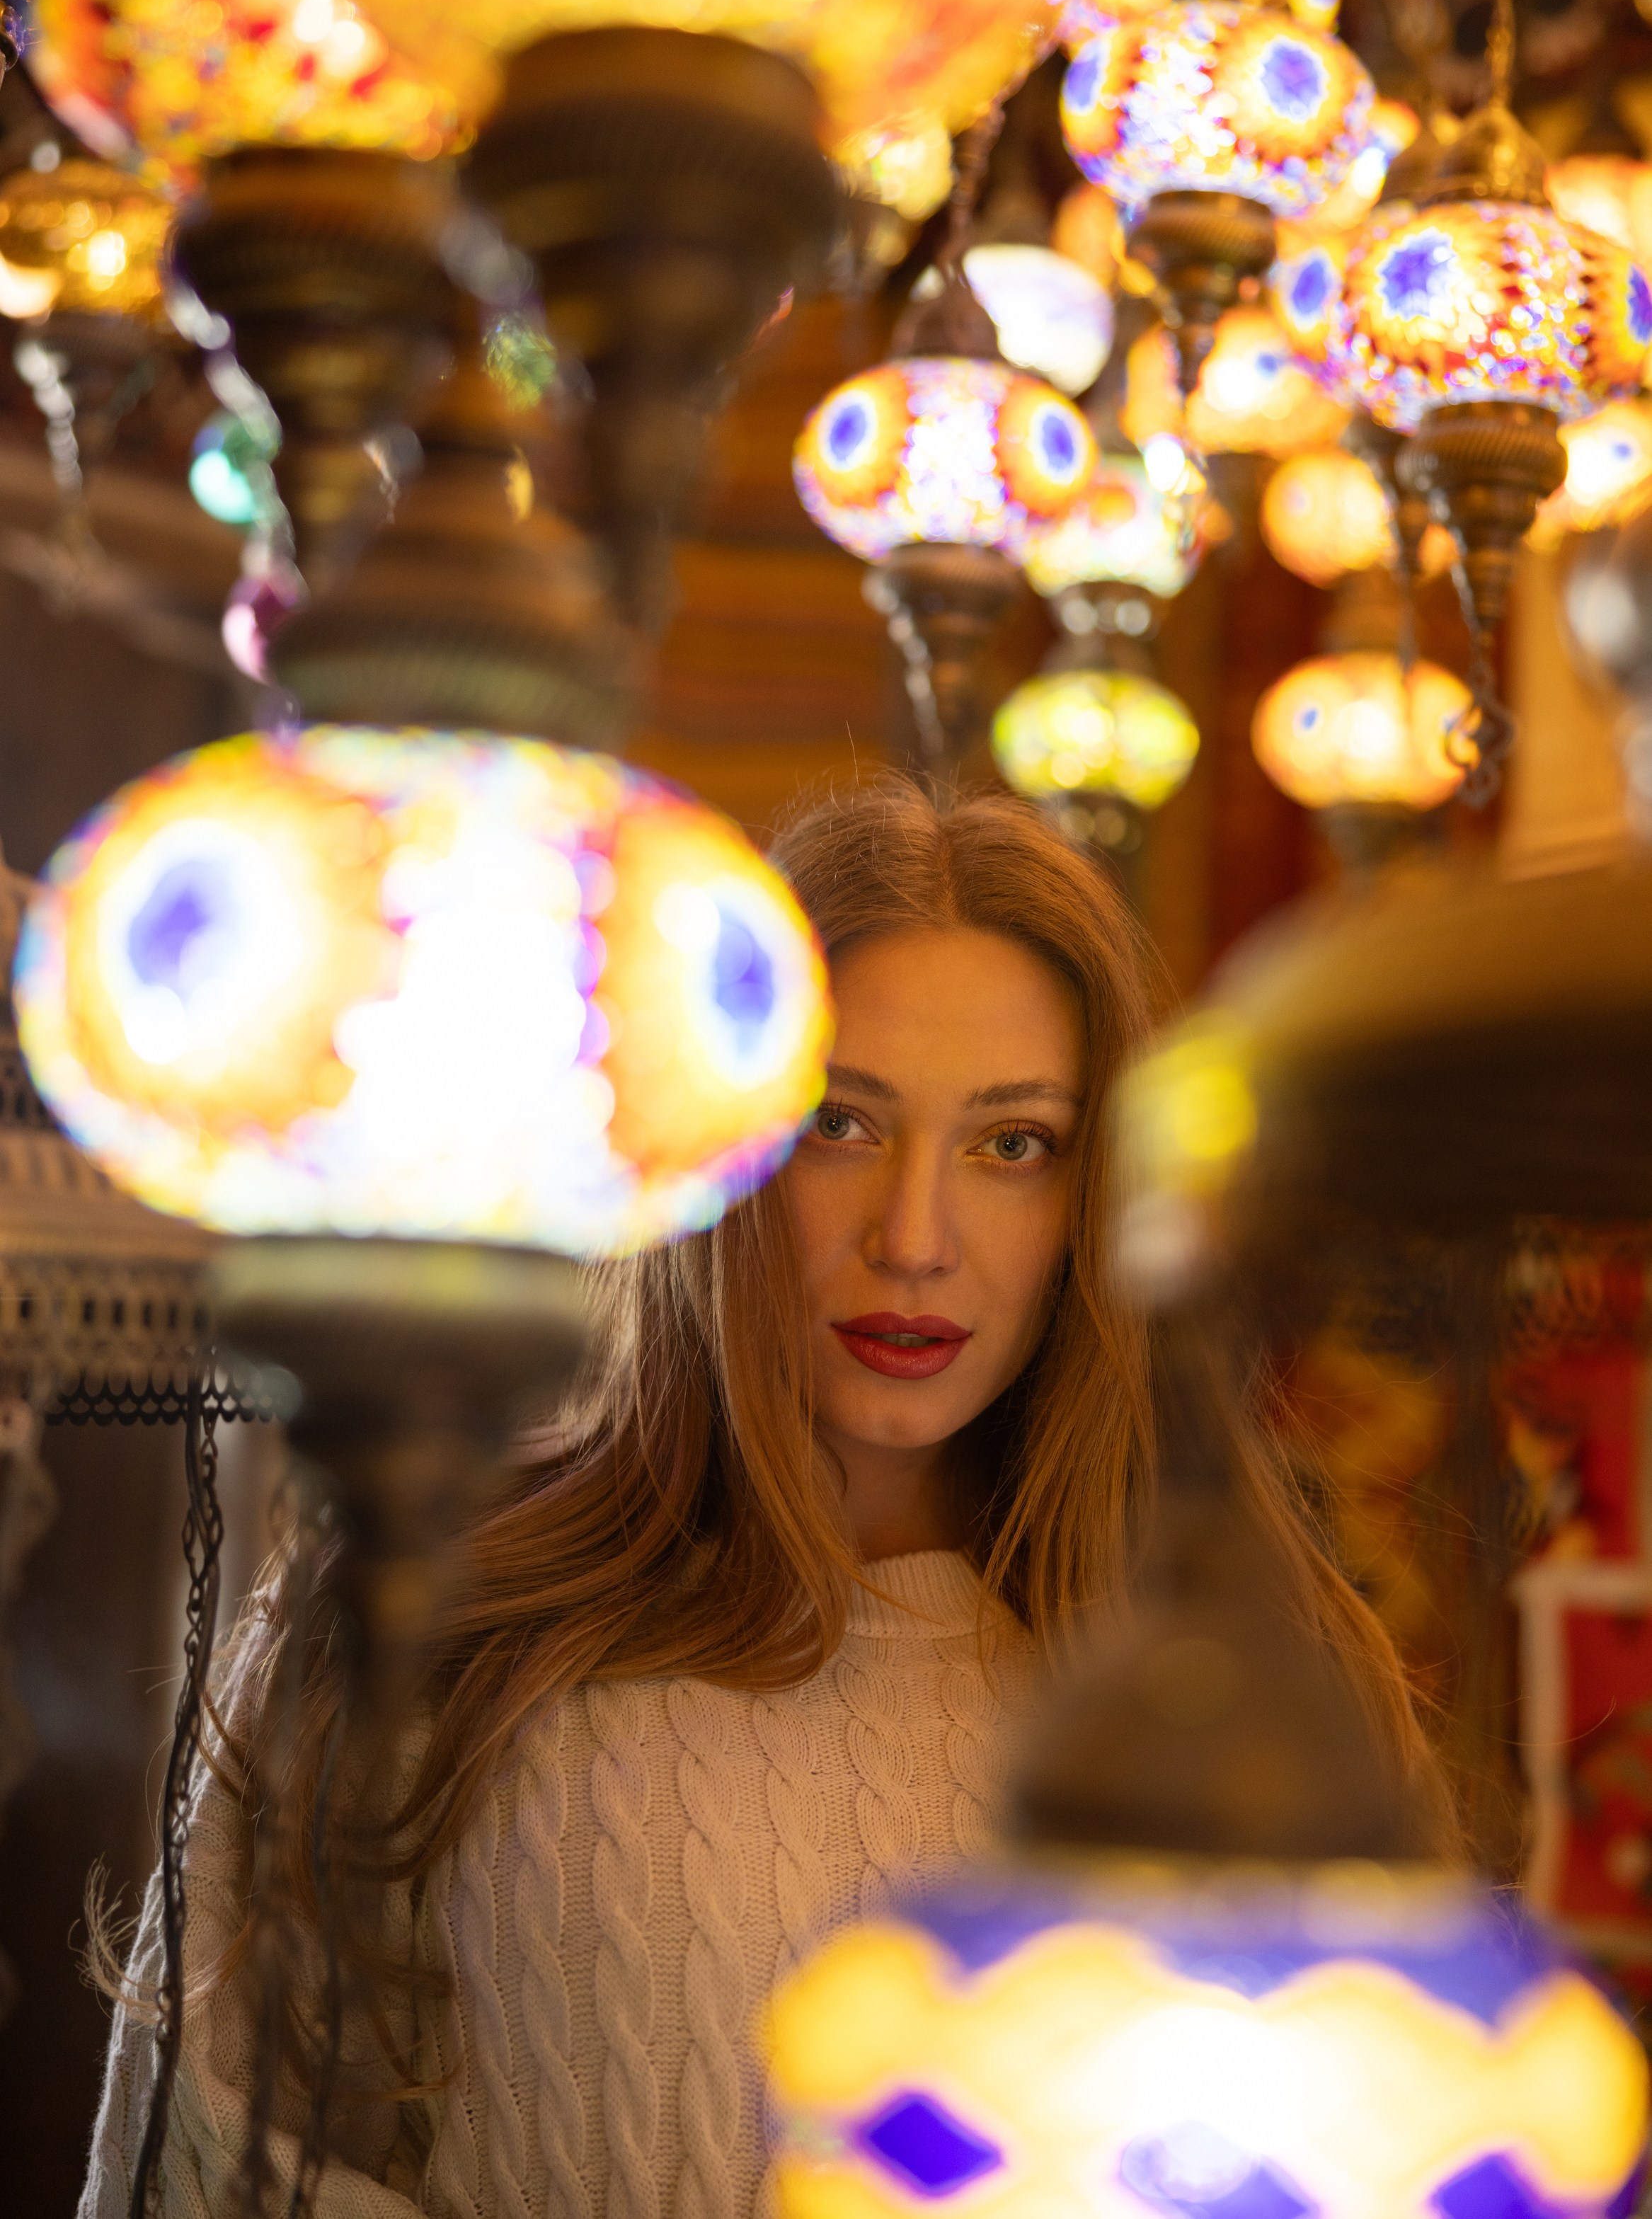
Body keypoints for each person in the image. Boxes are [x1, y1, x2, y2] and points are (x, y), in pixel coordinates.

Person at [82, 777, 1450, 2218]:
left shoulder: (1255, 1686)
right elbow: (208, 2156)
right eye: (837, 1124)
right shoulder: (440, 1601)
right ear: (720, 1144)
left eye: (1012, 1144)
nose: (914, 1239)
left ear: (1098, 1196)